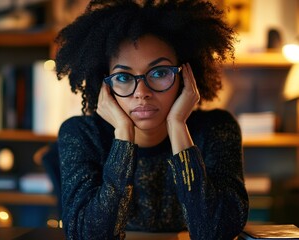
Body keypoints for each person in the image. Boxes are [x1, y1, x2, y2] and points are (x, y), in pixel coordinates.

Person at [53, 0, 249, 239]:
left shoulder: (216, 128)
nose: (141, 92)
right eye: (123, 77)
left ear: (186, 76)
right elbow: (88, 235)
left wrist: (178, 125)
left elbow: (214, 232)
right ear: (105, 84)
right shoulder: (81, 134)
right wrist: (124, 135)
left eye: (159, 73)